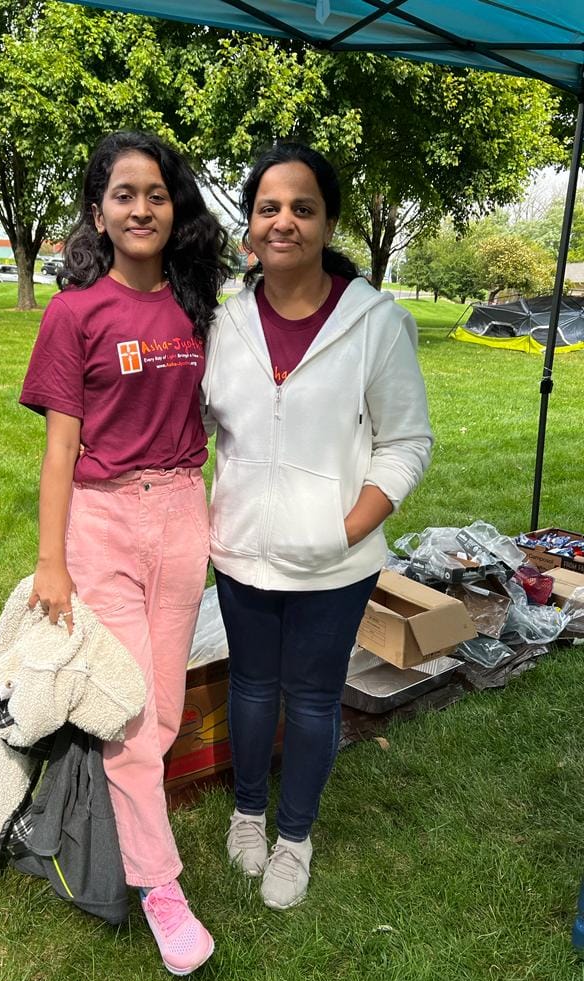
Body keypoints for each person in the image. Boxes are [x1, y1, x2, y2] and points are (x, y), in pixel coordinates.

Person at [19, 131, 232, 975]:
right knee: (135, 712)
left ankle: (121, 815)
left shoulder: (196, 309)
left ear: (175, 208)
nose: (141, 208)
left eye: (156, 194)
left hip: (181, 515)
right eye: (123, 194)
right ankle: (160, 888)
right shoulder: (74, 313)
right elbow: (59, 450)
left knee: (166, 708)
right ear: (98, 212)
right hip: (101, 520)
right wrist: (51, 560)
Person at [201, 142, 433, 910]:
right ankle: (247, 814)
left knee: (311, 699)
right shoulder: (225, 323)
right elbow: (197, 424)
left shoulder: (375, 323)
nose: (284, 222)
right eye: (268, 207)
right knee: (251, 688)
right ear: (250, 224)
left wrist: (347, 528)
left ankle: (294, 838)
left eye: (303, 208)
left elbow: (407, 442)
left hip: (335, 563)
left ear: (328, 222)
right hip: (242, 552)